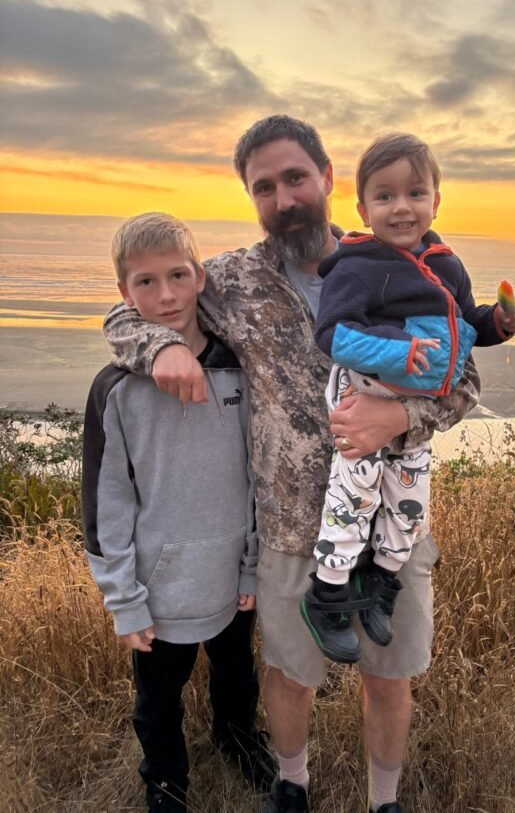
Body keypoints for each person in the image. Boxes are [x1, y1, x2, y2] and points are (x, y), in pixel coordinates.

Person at [103, 117, 482, 813]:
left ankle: (384, 801)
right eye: (264, 187)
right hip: (288, 526)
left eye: (296, 178)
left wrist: (401, 416)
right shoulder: (232, 281)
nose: (284, 199)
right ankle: (291, 784)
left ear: (328, 177)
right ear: (252, 197)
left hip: (388, 527)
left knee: (389, 676)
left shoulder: (399, 263)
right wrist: (163, 349)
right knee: (288, 673)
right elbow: (130, 312)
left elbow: (465, 379)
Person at [302, 133, 515, 663]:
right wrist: (397, 351)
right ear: (363, 210)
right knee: (353, 496)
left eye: (415, 193)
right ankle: (327, 593)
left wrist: (497, 323)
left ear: (436, 201)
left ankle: (380, 580)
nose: (401, 207)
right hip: (363, 393)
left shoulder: (447, 265)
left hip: (414, 412)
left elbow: (463, 326)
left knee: (408, 505)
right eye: (385, 196)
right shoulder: (356, 266)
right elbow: (332, 335)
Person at [82, 212, 275, 813]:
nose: (165, 295)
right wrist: (124, 599)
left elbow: (255, 477)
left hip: (230, 576)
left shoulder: (239, 370)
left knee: (237, 676)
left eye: (177, 276)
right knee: (157, 700)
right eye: (145, 282)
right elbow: (106, 502)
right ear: (125, 293)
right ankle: (165, 781)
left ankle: (236, 739)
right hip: (158, 587)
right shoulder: (116, 389)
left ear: (199, 278)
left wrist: (250, 566)